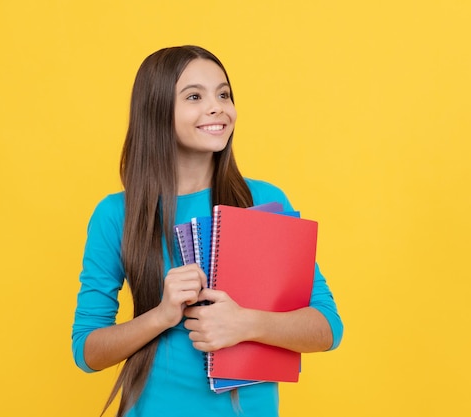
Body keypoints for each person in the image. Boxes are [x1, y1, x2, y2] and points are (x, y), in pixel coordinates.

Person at [72, 45, 343, 417]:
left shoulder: (263, 201)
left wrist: (245, 323)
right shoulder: (115, 214)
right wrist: (162, 316)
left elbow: (327, 327)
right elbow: (87, 352)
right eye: (195, 96)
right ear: (157, 110)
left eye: (224, 94)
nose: (216, 106)